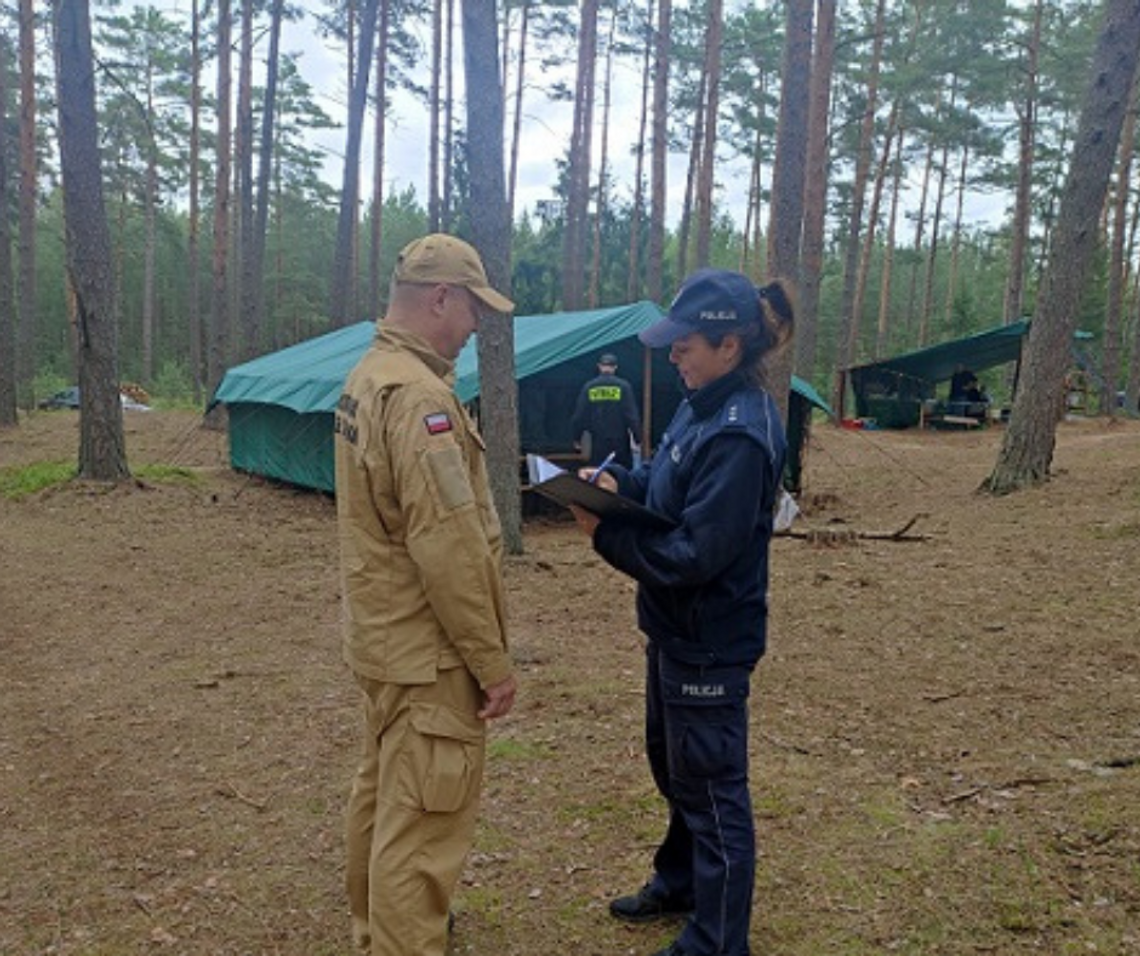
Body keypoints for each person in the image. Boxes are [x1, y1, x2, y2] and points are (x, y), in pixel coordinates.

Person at [571, 268, 794, 956]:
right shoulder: (697, 403)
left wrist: (604, 532)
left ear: (728, 345)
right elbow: (666, 489)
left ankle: (717, 940)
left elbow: (694, 552)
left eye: (685, 344)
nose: (672, 354)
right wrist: (618, 484)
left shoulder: (741, 433)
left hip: (710, 639)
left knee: (713, 788)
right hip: (671, 630)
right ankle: (681, 880)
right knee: (675, 768)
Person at [334, 233, 518, 956]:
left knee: (383, 800)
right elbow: (448, 546)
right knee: (420, 830)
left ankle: (373, 931)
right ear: (441, 297)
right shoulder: (419, 398)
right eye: (472, 308)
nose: (475, 327)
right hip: (428, 654)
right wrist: (491, 660)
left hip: (384, 641)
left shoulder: (368, 374)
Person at [570, 351, 642, 467]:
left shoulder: (590, 387)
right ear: (615, 367)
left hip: (597, 443)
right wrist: (638, 438)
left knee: (598, 476)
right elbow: (632, 416)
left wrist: (576, 438)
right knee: (620, 476)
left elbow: (579, 416)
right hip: (620, 443)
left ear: (599, 366)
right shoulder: (623, 386)